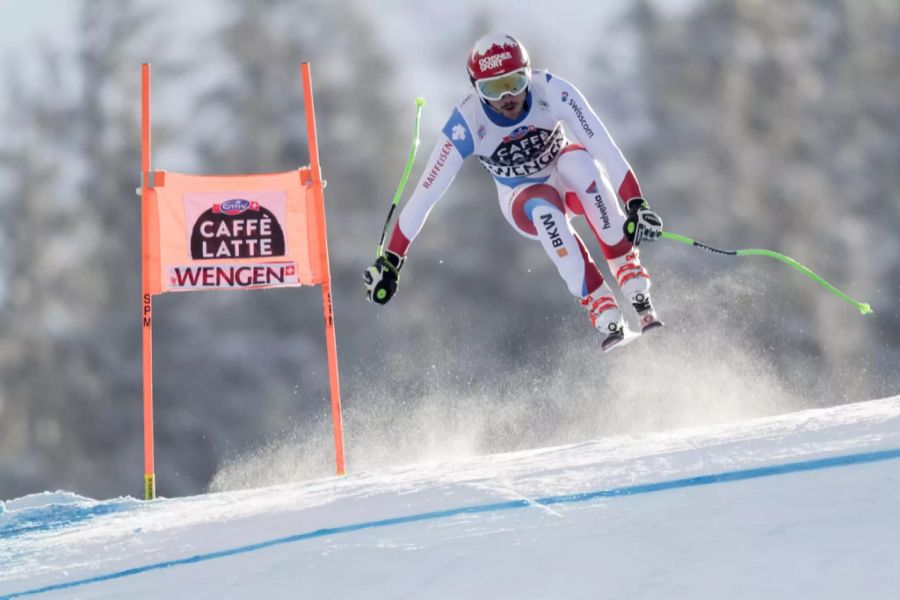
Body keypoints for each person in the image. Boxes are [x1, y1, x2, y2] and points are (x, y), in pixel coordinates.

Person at [364, 33, 664, 351]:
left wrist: (635, 201)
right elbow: (426, 194)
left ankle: (628, 271)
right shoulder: (466, 122)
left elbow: (603, 146)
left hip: (567, 178)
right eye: (493, 89)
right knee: (544, 205)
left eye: (516, 83)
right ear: (476, 89)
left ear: (528, 74)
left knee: (579, 162)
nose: (508, 96)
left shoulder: (552, 90)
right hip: (521, 198)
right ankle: (599, 303)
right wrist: (392, 260)